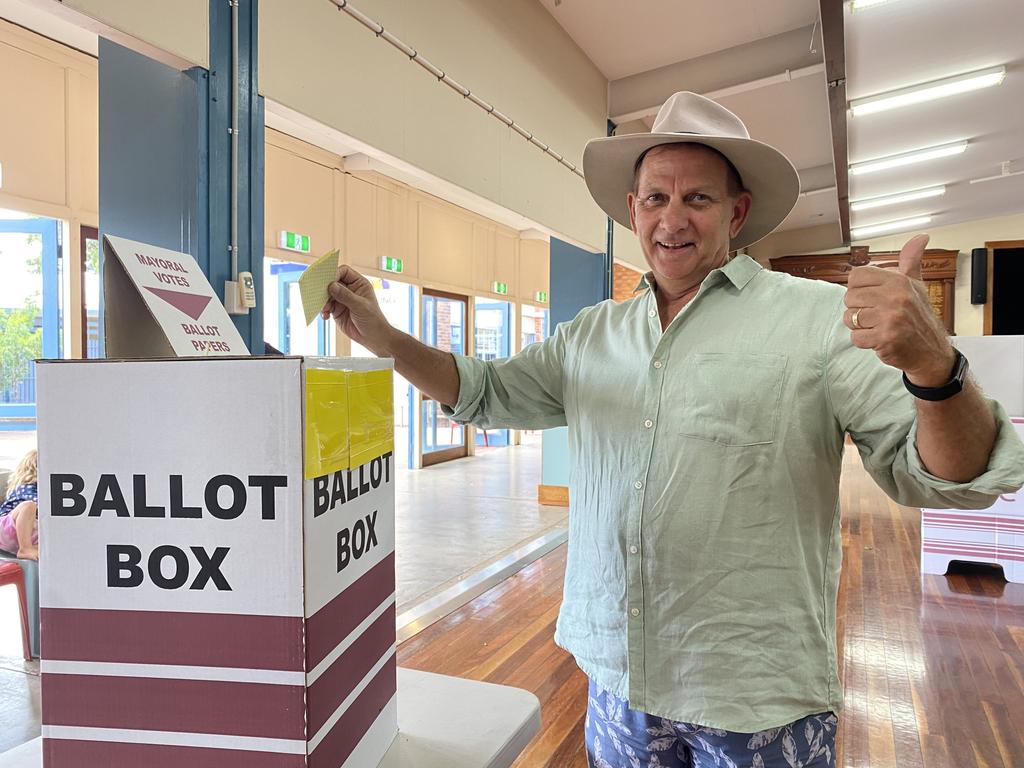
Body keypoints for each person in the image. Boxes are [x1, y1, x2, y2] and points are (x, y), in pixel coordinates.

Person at [321, 92, 1024, 767]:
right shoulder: (593, 334)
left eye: (698, 198)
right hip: (618, 678)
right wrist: (387, 339)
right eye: (656, 197)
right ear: (633, 209)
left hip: (756, 696)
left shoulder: (817, 319)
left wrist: (936, 368)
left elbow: (945, 475)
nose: (672, 218)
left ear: (737, 212)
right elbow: (487, 391)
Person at [0, 448, 39, 561]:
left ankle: (28, 548)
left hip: (25, 536)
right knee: (29, 506)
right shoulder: (25, 487)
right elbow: (40, 506)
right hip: (8, 528)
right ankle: (25, 548)